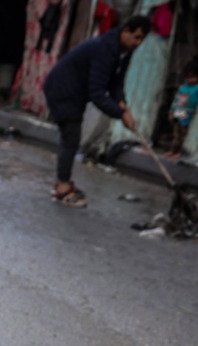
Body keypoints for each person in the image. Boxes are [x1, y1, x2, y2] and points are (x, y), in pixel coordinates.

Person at [42, 14, 149, 207]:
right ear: (126, 31)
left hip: (76, 93)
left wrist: (122, 102)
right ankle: (62, 188)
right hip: (63, 89)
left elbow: (117, 82)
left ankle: (62, 183)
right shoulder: (105, 50)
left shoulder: (123, 51)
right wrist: (119, 114)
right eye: (137, 37)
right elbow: (98, 92)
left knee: (71, 137)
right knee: (71, 138)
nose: (138, 43)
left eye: (142, 39)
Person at [167, 57, 198, 156]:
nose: (189, 79)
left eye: (193, 77)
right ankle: (173, 150)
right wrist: (172, 111)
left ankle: (180, 152)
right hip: (180, 112)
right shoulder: (183, 87)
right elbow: (176, 100)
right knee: (176, 133)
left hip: (189, 113)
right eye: (187, 77)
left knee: (185, 134)